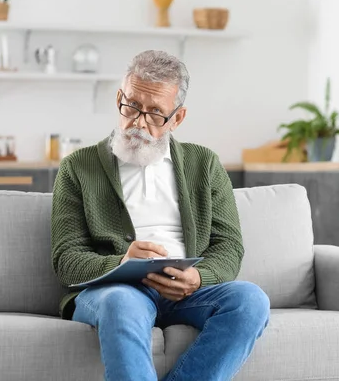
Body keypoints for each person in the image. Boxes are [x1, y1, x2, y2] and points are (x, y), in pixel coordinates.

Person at [51, 50, 270, 381]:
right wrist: (121, 264)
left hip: (187, 290)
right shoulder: (78, 167)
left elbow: (229, 245)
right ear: (119, 98)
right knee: (121, 304)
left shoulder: (205, 164)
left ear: (177, 118)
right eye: (132, 106)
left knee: (251, 301)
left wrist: (199, 278)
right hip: (118, 290)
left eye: (155, 113)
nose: (138, 122)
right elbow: (66, 261)